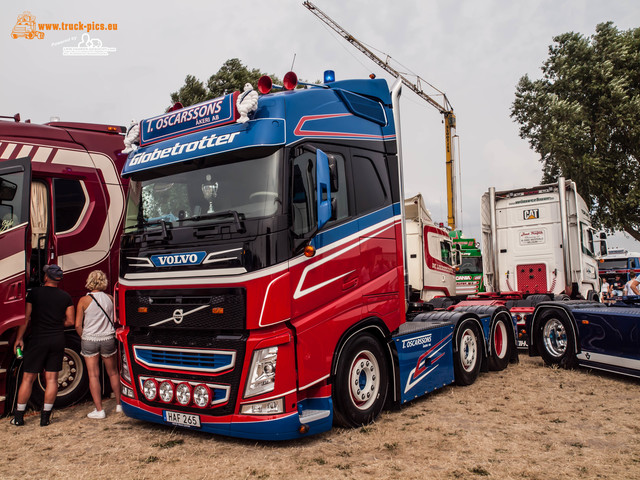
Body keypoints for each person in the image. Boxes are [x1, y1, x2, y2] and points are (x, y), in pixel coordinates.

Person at [12, 264, 74, 426]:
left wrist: (19, 338)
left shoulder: (34, 294)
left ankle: (18, 418)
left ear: (46, 277)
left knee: (28, 378)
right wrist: (56, 323)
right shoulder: (65, 297)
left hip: (38, 339)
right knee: (52, 379)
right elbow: (70, 321)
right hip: (57, 339)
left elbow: (26, 318)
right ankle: (45, 418)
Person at [75, 270, 122, 419]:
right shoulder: (110, 298)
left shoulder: (83, 300)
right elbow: (116, 318)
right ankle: (120, 405)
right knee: (113, 372)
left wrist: (84, 336)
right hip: (108, 338)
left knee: (93, 375)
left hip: (90, 340)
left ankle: (99, 410)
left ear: (89, 281)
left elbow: (77, 324)